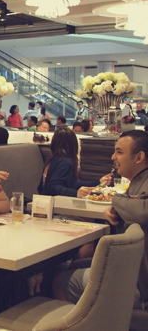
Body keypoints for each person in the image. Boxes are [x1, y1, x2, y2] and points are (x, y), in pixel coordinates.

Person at [53, 130, 148, 306]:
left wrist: (117, 200)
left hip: (137, 281)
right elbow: (130, 204)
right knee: (73, 265)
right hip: (131, 268)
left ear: (139, 157)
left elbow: (142, 211)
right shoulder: (138, 182)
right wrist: (122, 202)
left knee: (59, 281)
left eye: (119, 152)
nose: (113, 157)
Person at [38, 127, 111, 198]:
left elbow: (72, 183)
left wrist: (99, 182)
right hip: (55, 203)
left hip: (45, 200)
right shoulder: (65, 162)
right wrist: (76, 193)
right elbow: (53, 187)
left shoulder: (53, 159)